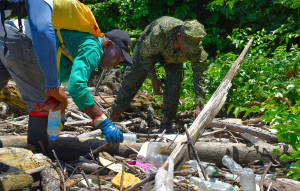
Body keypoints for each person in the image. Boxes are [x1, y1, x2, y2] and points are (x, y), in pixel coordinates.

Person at [0, 19, 132, 151]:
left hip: (8, 31)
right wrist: (103, 122)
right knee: (42, 103)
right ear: (108, 44)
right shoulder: (94, 49)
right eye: (118, 58)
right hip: (22, 38)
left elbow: (54, 81)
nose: (116, 64)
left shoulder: (87, 42)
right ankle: (37, 155)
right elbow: (76, 87)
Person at [110, 16, 208, 130]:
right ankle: (114, 116)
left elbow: (200, 75)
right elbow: (145, 55)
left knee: (174, 82)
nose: (191, 50)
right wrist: (153, 79)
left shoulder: (196, 47)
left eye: (193, 47)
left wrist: (199, 105)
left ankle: (166, 123)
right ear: (178, 36)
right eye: (188, 46)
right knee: (132, 78)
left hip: (173, 59)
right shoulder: (160, 32)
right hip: (149, 49)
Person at [0, 0, 67, 153]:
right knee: (41, 101)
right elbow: (42, 30)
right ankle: (38, 157)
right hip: (12, 36)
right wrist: (52, 86)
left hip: (4, 33)